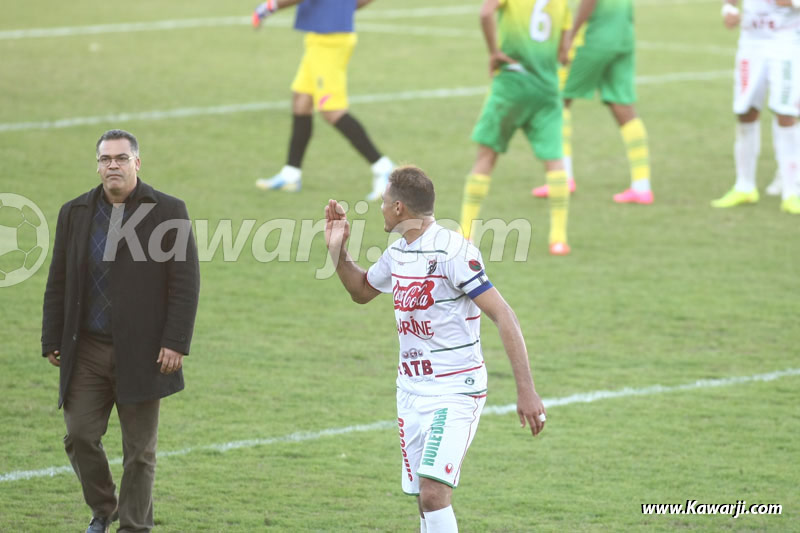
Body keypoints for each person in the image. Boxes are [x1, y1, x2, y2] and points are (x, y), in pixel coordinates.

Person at [325, 165, 547, 533]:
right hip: (411, 392)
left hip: (455, 391)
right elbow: (361, 291)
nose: (380, 208)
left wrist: (526, 390)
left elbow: (504, 316)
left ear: (399, 208)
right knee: (423, 498)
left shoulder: (453, 251)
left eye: (383, 201)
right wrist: (338, 250)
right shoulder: (399, 253)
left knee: (432, 494)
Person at [41, 129, 201, 533]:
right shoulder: (74, 212)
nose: (113, 165)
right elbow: (58, 278)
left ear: (137, 163)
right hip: (86, 349)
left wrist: (175, 342)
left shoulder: (168, 211)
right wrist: (51, 336)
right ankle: (104, 508)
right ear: (97, 166)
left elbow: (185, 282)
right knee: (80, 435)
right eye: (105, 159)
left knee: (140, 453)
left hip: (144, 352)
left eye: (121, 158)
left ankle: (134, 527)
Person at [459, 0, 573, 256]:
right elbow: (564, 53)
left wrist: (494, 52)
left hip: (511, 83)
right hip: (546, 89)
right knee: (555, 161)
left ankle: (466, 231)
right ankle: (558, 239)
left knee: (486, 156)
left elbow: (486, 12)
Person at [252, 0, 395, 200]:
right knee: (301, 100)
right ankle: (291, 174)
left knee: (331, 110)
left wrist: (268, 7)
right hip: (321, 36)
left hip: (330, 39)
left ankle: (383, 168)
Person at [533, 0, 654, 204]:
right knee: (623, 105)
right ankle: (642, 187)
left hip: (594, 37)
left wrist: (570, 35)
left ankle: (562, 179)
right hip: (623, 34)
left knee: (558, 102)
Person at [711, 0, 800, 214]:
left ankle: (791, 192)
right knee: (745, 112)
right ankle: (745, 186)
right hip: (751, 43)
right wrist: (729, 9)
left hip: (786, 42)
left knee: (785, 112)